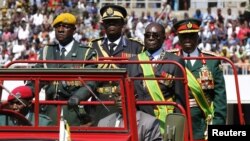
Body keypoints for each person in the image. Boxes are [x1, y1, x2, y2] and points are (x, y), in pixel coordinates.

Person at [26, 12, 98, 126]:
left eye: (65, 26)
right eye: (57, 26)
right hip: (49, 110)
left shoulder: (86, 52)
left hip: (74, 110)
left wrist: (78, 96)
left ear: (74, 30)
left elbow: (92, 82)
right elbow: (35, 79)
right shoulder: (46, 51)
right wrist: (26, 94)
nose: (60, 29)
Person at [87, 4, 144, 126]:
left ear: (122, 24)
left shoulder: (136, 46)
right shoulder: (93, 46)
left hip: (125, 101)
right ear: (103, 25)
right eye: (108, 22)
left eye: (115, 22)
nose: (111, 25)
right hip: (100, 101)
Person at [170, 18, 227, 140]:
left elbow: (220, 97)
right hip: (177, 121)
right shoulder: (170, 60)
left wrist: (217, 126)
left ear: (198, 36)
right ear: (178, 38)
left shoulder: (212, 61)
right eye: (184, 36)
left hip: (203, 123)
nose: (188, 39)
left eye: (192, 35)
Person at [126, 22, 186, 134]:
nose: (151, 38)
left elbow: (180, 101)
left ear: (164, 38)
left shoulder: (175, 62)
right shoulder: (133, 62)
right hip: (139, 123)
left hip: (163, 123)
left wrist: (176, 131)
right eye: (147, 35)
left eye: (155, 35)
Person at [98, 93, 163, 141]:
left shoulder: (149, 122)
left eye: (124, 94)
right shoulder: (103, 123)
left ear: (135, 97)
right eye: (117, 95)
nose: (119, 99)